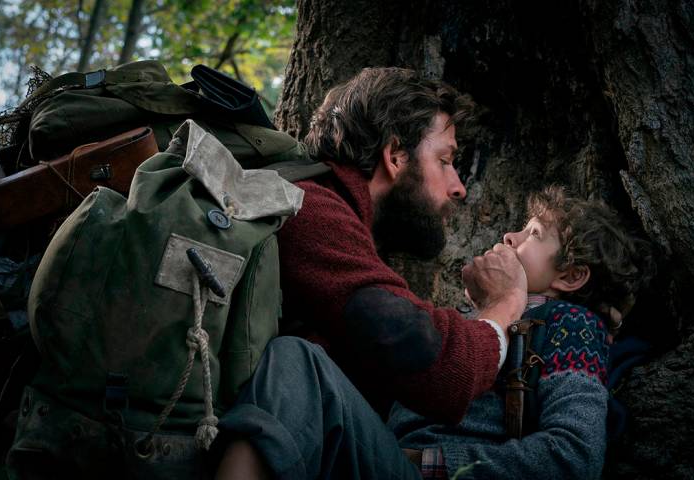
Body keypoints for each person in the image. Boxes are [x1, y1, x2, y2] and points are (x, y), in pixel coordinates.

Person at [213, 67, 528, 478]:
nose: (458, 187)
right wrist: (504, 305)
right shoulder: (310, 211)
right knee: (296, 362)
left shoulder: (342, 224)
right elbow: (442, 366)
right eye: (445, 161)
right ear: (395, 156)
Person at [387, 185, 655, 479]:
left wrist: (429, 465)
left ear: (571, 276)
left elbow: (573, 456)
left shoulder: (571, 324)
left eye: (534, 233)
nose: (509, 237)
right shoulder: (481, 317)